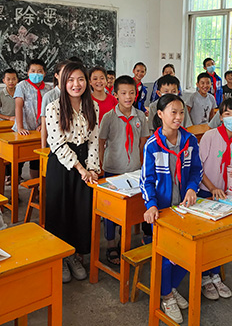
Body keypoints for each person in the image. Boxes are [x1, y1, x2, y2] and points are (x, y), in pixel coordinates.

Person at [141, 94, 202, 324]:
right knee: (167, 256)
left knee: (187, 253)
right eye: (172, 112)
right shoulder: (152, 145)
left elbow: (196, 170)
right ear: (160, 115)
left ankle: (170, 287)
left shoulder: (190, 141)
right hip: (163, 210)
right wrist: (151, 205)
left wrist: (192, 188)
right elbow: (146, 179)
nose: (178, 117)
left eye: (181, 112)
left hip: (184, 207)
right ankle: (165, 295)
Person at [44, 61, 100, 283]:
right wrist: (80, 169)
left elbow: (94, 140)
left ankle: (75, 255)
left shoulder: (92, 106)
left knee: (80, 211)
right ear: (62, 81)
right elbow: (57, 143)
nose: (76, 84)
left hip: (85, 162)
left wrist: (93, 168)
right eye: (70, 80)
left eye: (80, 79)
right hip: (62, 163)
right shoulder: (54, 107)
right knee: (60, 211)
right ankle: (60, 258)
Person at [198, 98, 232, 300]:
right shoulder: (210, 137)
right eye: (227, 114)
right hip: (206, 192)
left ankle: (216, 275)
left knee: (221, 236)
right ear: (220, 117)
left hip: (228, 195)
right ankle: (205, 277)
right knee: (206, 237)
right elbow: (198, 168)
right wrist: (212, 188)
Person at [98, 75, 150, 264]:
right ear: (115, 94)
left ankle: (124, 241)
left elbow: (143, 142)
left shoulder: (140, 117)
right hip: (113, 169)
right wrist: (101, 166)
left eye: (132, 93)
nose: (128, 96)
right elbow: (101, 142)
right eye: (123, 93)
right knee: (112, 211)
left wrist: (143, 166)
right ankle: (111, 243)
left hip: (134, 169)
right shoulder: (108, 117)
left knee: (130, 209)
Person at [40, 60, 66, 148]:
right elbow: (44, 124)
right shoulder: (49, 96)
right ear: (56, 75)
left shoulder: (76, 95)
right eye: (64, 74)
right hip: (54, 143)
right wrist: (43, 148)